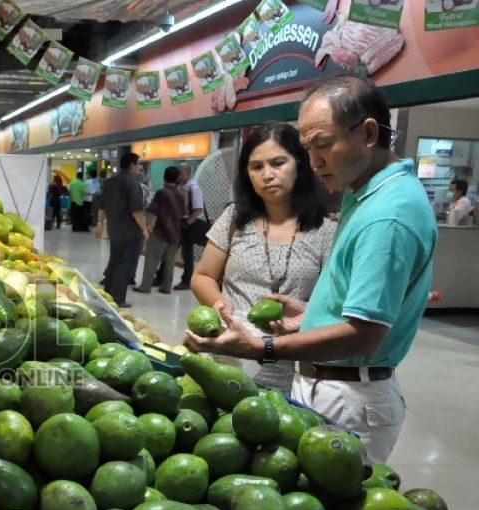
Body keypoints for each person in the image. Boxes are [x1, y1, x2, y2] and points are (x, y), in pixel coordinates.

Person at [184, 74, 437, 464]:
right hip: (325, 386)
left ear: (368, 133)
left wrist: (263, 347)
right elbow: (353, 306)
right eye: (308, 149)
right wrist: (312, 314)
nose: (315, 162)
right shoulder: (365, 196)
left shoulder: (387, 215)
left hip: (347, 395)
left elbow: (363, 334)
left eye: (323, 145)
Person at [190, 123, 337, 394]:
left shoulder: (326, 231)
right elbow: (203, 276)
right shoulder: (235, 219)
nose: (267, 174)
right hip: (227, 354)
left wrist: (300, 313)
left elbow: (331, 303)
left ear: (300, 165)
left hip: (288, 363)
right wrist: (221, 305)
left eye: (278, 163)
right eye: (256, 167)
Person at [96, 153, 146, 308]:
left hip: (114, 230)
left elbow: (102, 206)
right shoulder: (132, 183)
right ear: (132, 165)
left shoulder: (109, 182)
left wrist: (100, 223)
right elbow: (136, 211)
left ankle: (108, 294)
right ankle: (118, 298)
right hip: (130, 232)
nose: (139, 168)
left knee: (115, 262)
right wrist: (144, 229)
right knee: (125, 265)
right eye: (138, 165)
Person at [134, 166, 185, 295]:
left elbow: (153, 212)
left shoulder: (161, 193)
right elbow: (182, 213)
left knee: (152, 259)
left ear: (164, 177)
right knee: (169, 262)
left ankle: (145, 286)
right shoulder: (180, 194)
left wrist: (149, 228)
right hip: (175, 233)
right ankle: (166, 287)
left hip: (160, 232)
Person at [176, 162, 206, 289]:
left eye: (180, 173)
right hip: (185, 223)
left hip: (194, 223)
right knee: (186, 252)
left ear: (188, 173)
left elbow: (198, 209)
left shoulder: (194, 188)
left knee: (188, 252)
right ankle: (186, 279)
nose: (178, 175)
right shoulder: (180, 188)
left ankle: (188, 280)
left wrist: (188, 223)